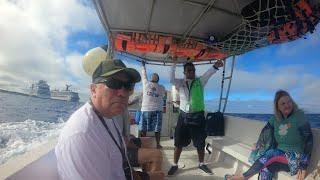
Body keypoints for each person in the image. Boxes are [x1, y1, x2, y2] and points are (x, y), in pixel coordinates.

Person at [55, 58, 141, 180]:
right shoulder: (84, 134)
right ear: (93, 90)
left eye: (128, 86)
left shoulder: (109, 117)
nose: (122, 93)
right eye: (114, 83)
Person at [225, 90, 313, 180]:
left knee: (271, 153)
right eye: (283, 103)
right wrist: (258, 144)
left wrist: (304, 165)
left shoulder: (299, 116)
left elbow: (309, 140)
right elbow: (265, 132)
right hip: (278, 157)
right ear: (278, 107)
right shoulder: (275, 119)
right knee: (266, 168)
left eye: (289, 102)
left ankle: (243, 177)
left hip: (294, 159)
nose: (287, 105)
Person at [167, 58, 224, 175]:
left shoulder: (200, 81)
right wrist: (174, 63)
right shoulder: (180, 83)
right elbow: (171, 79)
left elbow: (209, 74)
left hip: (198, 117)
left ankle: (201, 164)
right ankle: (175, 164)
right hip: (183, 117)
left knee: (200, 142)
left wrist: (216, 66)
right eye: (189, 70)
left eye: (193, 70)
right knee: (178, 142)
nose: (191, 72)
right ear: (184, 72)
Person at [115, 110, 165, 180]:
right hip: (119, 149)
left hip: (125, 141)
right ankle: (153, 176)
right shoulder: (113, 110)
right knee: (157, 155)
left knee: (151, 141)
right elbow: (118, 139)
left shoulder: (122, 108)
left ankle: (147, 173)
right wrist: (135, 146)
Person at [139, 61, 166, 149]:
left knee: (152, 129)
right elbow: (143, 75)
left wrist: (143, 66)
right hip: (151, 110)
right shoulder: (159, 87)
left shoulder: (156, 86)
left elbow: (143, 75)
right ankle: (148, 144)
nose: (154, 77)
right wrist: (143, 66)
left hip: (152, 110)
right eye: (153, 76)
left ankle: (153, 144)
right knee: (148, 129)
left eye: (154, 76)